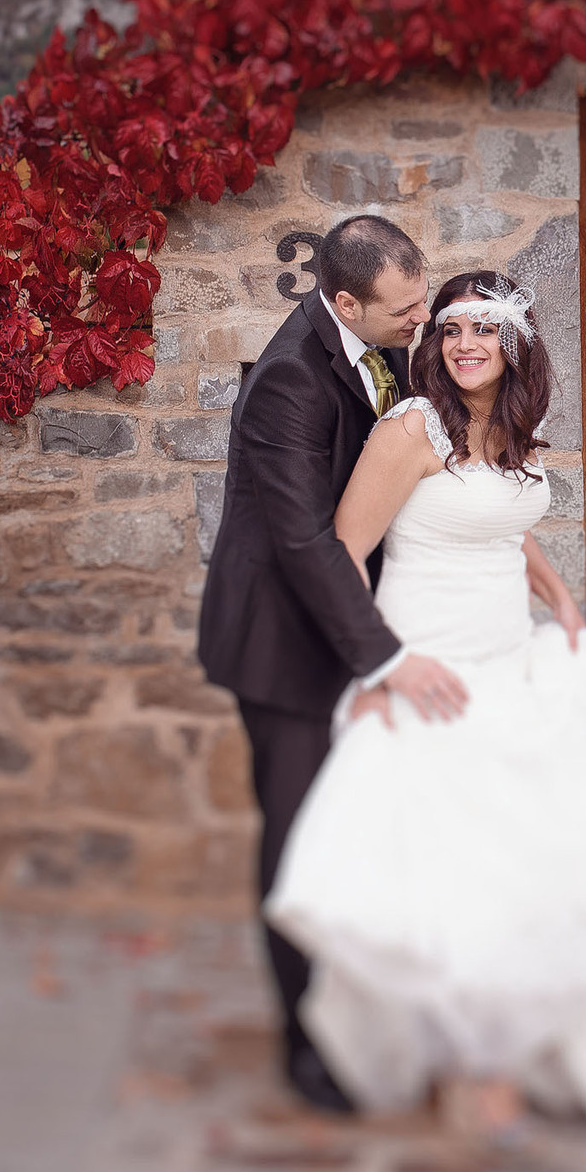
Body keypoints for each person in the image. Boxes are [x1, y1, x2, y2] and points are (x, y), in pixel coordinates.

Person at [264, 269, 586, 1124]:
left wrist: (556, 591)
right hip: (427, 669)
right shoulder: (412, 426)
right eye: (454, 329)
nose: (467, 345)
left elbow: (502, 518)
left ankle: (513, 1049)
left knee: (529, 872)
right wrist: (374, 669)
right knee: (445, 880)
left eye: (485, 330)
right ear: (435, 342)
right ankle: (462, 1063)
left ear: (515, 346)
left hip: (513, 664)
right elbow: (347, 551)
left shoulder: (505, 427)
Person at [195, 214, 463, 1114]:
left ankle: (366, 1016)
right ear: (343, 302)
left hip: (345, 633)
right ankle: (302, 1046)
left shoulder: (376, 344)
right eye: (404, 307)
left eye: (420, 294)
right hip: (282, 652)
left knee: (359, 843)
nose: (420, 317)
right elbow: (307, 542)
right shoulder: (287, 383)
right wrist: (383, 658)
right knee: (299, 853)